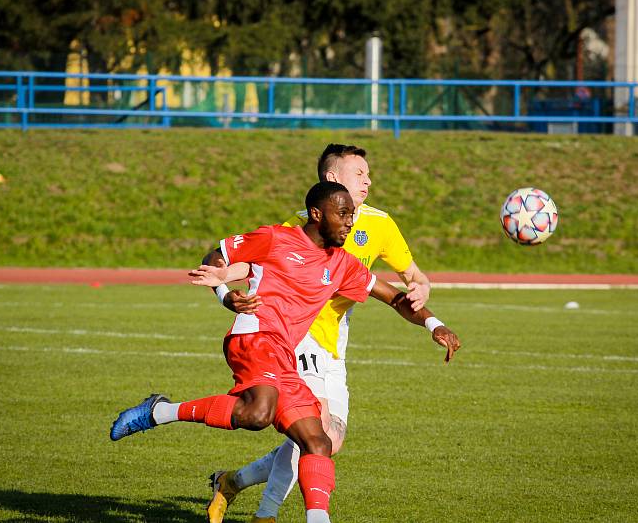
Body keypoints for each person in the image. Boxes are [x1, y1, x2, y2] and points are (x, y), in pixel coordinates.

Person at [110, 181, 460, 523]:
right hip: (255, 335)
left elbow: (396, 298)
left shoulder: (342, 264)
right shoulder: (276, 237)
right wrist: (225, 293)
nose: (350, 223)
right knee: (258, 413)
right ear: (316, 214)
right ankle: (160, 412)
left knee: (317, 442)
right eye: (343, 214)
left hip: (284, 354)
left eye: (352, 215)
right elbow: (217, 256)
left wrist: (435, 324)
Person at [205, 144, 435, 523]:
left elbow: (413, 276)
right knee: (314, 433)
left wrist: (423, 290)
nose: (368, 180)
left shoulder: (380, 223)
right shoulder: (300, 225)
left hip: (335, 341)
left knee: (329, 442)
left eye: (368, 173)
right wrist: (221, 282)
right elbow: (254, 261)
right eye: (359, 173)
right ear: (332, 180)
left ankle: (232, 482)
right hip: (297, 334)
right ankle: (267, 514)